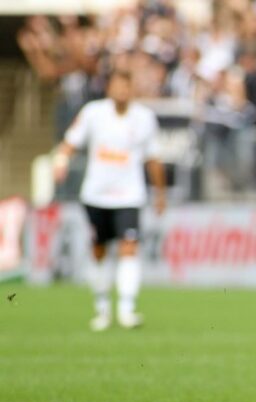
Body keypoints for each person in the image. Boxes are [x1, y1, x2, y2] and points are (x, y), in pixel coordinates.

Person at [53, 70, 166, 331]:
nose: (121, 91)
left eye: (126, 86)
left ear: (132, 89)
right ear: (109, 88)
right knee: (99, 250)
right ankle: (102, 307)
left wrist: (160, 193)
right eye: (117, 86)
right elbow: (70, 142)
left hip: (129, 195)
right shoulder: (93, 113)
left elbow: (153, 158)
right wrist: (60, 161)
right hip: (96, 194)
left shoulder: (145, 118)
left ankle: (127, 309)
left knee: (129, 247)